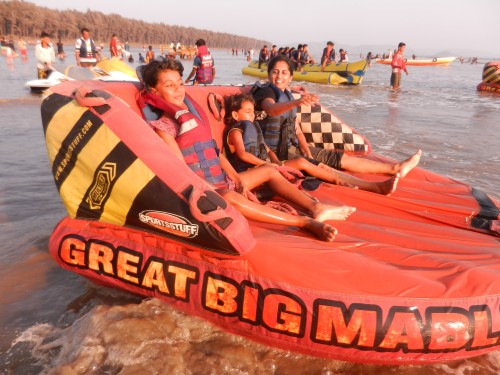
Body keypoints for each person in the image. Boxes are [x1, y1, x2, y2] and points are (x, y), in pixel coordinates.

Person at [138, 59, 356, 241]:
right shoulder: (164, 127)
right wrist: (222, 189)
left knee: (271, 170)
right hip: (205, 191)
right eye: (169, 85)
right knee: (228, 196)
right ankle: (303, 221)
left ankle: (315, 208)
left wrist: (236, 179)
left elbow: (215, 153)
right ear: (153, 91)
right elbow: (182, 174)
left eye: (179, 84)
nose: (178, 90)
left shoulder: (193, 117)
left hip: (224, 181)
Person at [251, 55, 422, 191]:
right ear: (268, 74)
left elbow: (295, 128)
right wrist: (297, 101)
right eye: (275, 72)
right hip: (275, 152)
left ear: (290, 77)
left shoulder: (287, 94)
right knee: (322, 167)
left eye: (283, 73)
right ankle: (375, 187)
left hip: (291, 146)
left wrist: (306, 149)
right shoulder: (266, 92)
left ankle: (395, 168)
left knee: (339, 157)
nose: (278, 76)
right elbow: (271, 109)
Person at [223, 93, 404, 195]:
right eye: (247, 112)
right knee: (306, 163)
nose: (252, 116)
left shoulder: (252, 127)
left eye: (253, 112)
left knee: (303, 162)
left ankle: (361, 184)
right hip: (252, 170)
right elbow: (242, 155)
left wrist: (277, 163)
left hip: (269, 164)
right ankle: (371, 186)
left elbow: (266, 148)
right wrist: (268, 165)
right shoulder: (237, 131)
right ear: (236, 115)